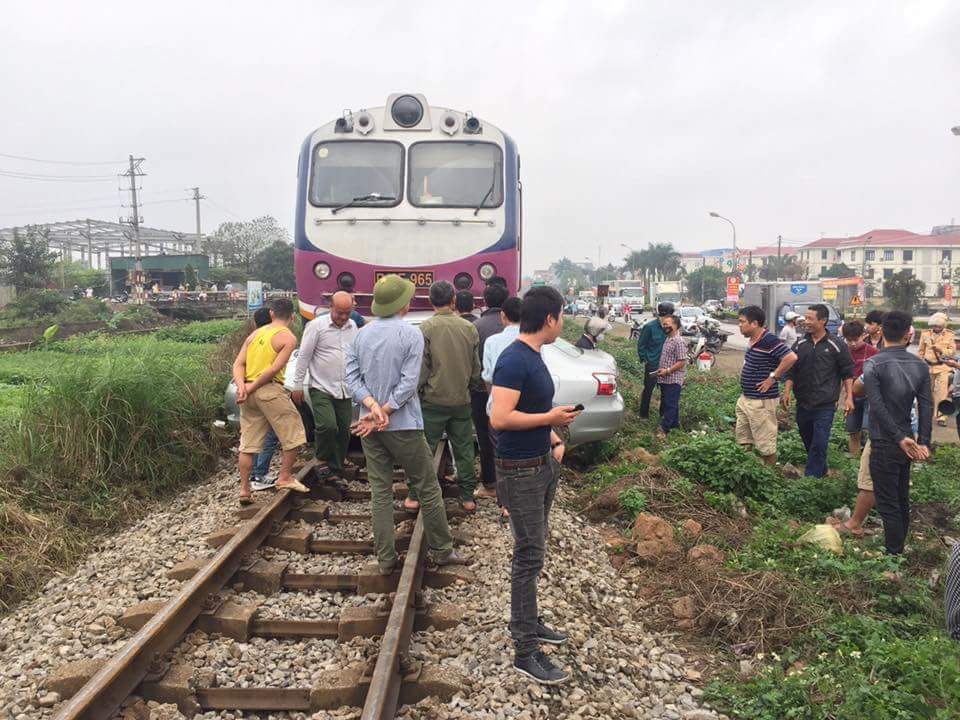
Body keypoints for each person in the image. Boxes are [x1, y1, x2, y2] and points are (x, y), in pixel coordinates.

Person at [490, 285, 580, 684]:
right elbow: (500, 418)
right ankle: (525, 651)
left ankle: (527, 621)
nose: (562, 322)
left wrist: (554, 438)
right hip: (521, 469)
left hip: (540, 461)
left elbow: (535, 408)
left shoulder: (534, 354)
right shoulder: (513, 361)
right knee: (528, 556)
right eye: (561, 316)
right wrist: (550, 421)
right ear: (550, 319)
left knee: (535, 549)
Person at [345, 274, 465, 573]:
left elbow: (351, 378)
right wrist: (385, 409)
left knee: (381, 492)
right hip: (404, 425)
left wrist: (371, 408)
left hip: (369, 428)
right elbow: (410, 382)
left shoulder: (361, 334)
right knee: (427, 487)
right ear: (405, 304)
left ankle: (385, 559)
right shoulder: (410, 334)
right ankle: (441, 550)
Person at [862, 310, 932, 555]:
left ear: (882, 332)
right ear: (907, 335)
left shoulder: (873, 364)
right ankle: (898, 549)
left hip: (885, 440)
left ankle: (893, 556)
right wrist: (924, 441)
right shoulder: (920, 366)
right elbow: (926, 405)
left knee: (888, 502)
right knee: (901, 498)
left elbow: (877, 407)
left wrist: (898, 437)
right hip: (907, 441)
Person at [232, 298, 309, 504]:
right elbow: (274, 369)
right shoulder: (287, 337)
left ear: (272, 313)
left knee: (247, 444)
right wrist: (252, 387)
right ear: (292, 317)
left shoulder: (254, 334)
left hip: (248, 394)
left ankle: (245, 489)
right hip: (269, 390)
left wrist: (242, 387)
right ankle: (284, 477)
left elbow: (238, 364)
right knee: (294, 433)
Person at [418, 280, 483, 511]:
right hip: (461, 400)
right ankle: (467, 498)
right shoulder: (469, 328)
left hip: (433, 401)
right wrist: (471, 386)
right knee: (464, 449)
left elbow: (422, 368)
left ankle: (416, 496)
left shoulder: (425, 328)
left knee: (424, 449)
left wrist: (420, 391)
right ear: (453, 300)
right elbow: (476, 369)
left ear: (430, 301)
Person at [291, 291, 358, 479]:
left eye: (347, 313)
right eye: (340, 313)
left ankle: (334, 469)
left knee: (344, 430)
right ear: (331, 308)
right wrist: (297, 384)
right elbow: (304, 356)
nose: (344, 317)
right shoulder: (316, 326)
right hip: (321, 386)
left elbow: (354, 355)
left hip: (344, 388)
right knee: (328, 426)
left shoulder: (352, 326)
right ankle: (321, 458)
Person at [782, 304, 855, 478]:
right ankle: (821, 470)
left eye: (810, 319)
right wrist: (786, 393)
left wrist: (849, 398)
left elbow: (847, 373)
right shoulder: (800, 344)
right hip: (803, 402)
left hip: (825, 404)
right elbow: (791, 371)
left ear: (822, 321)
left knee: (819, 443)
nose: (805, 322)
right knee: (808, 439)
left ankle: (811, 480)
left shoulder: (836, 345)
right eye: (805, 318)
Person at [735, 305, 798, 465]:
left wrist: (773, 377)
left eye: (742, 322)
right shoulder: (752, 340)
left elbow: (791, 357)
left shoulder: (769, 340)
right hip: (746, 398)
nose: (739, 325)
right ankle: (745, 471)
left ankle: (769, 477)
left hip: (761, 401)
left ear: (754, 323)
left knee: (765, 445)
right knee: (743, 440)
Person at [471, 281, 511, 500]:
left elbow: (473, 364)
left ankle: (490, 484)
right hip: (514, 393)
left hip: (481, 392)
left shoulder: (476, 327)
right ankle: (512, 485)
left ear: (485, 301)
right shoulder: (518, 328)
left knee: (486, 439)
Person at [249, 306, 280, 491]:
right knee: (270, 435)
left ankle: (254, 474)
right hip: (266, 390)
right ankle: (259, 474)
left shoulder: (251, 339)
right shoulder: (271, 338)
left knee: (254, 435)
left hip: (249, 389)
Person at [841, 320, 877, 457]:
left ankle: (869, 461)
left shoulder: (873, 352)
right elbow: (840, 375)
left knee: (869, 430)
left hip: (870, 397)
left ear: (863, 335)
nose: (853, 344)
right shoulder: (843, 351)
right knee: (853, 431)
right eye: (849, 340)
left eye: (856, 340)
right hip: (851, 398)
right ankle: (854, 461)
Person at [636, 302, 674, 419]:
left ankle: (662, 416)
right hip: (652, 364)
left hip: (667, 365)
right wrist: (646, 360)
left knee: (665, 391)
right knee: (648, 389)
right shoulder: (649, 327)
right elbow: (641, 345)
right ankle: (643, 415)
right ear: (661, 315)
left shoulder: (671, 328)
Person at [918, 312, 956, 426]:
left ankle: (941, 416)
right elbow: (921, 351)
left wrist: (941, 350)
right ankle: (926, 414)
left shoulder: (950, 335)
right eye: (934, 326)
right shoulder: (925, 334)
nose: (936, 328)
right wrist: (920, 364)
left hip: (943, 367)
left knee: (941, 392)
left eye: (938, 326)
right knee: (927, 392)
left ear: (943, 326)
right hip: (927, 367)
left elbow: (952, 352)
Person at [655, 314, 687, 436]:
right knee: (669, 403)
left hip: (673, 379)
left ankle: (664, 429)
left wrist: (668, 370)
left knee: (670, 405)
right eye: (664, 324)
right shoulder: (668, 339)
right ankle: (675, 427)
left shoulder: (679, 341)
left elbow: (682, 361)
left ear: (676, 325)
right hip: (664, 379)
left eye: (668, 324)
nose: (665, 326)